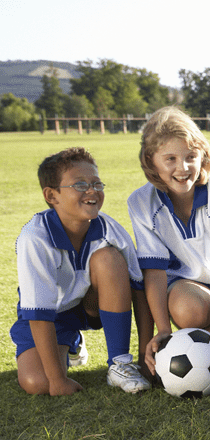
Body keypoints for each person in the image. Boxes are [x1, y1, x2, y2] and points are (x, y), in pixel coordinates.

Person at [129, 106, 210, 378]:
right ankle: (197, 328)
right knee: (189, 310)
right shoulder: (141, 203)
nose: (182, 167)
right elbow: (154, 272)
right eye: (170, 159)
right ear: (151, 160)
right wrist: (163, 329)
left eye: (191, 157)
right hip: (184, 288)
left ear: (203, 156)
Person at [11, 147, 151, 395]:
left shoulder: (110, 230)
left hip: (91, 307)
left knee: (109, 259)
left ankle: (119, 364)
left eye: (97, 184)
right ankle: (71, 343)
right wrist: (57, 381)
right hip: (49, 317)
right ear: (52, 195)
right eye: (80, 185)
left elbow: (139, 289)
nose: (92, 191)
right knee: (38, 383)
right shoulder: (34, 237)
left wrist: (145, 357)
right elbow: (38, 313)